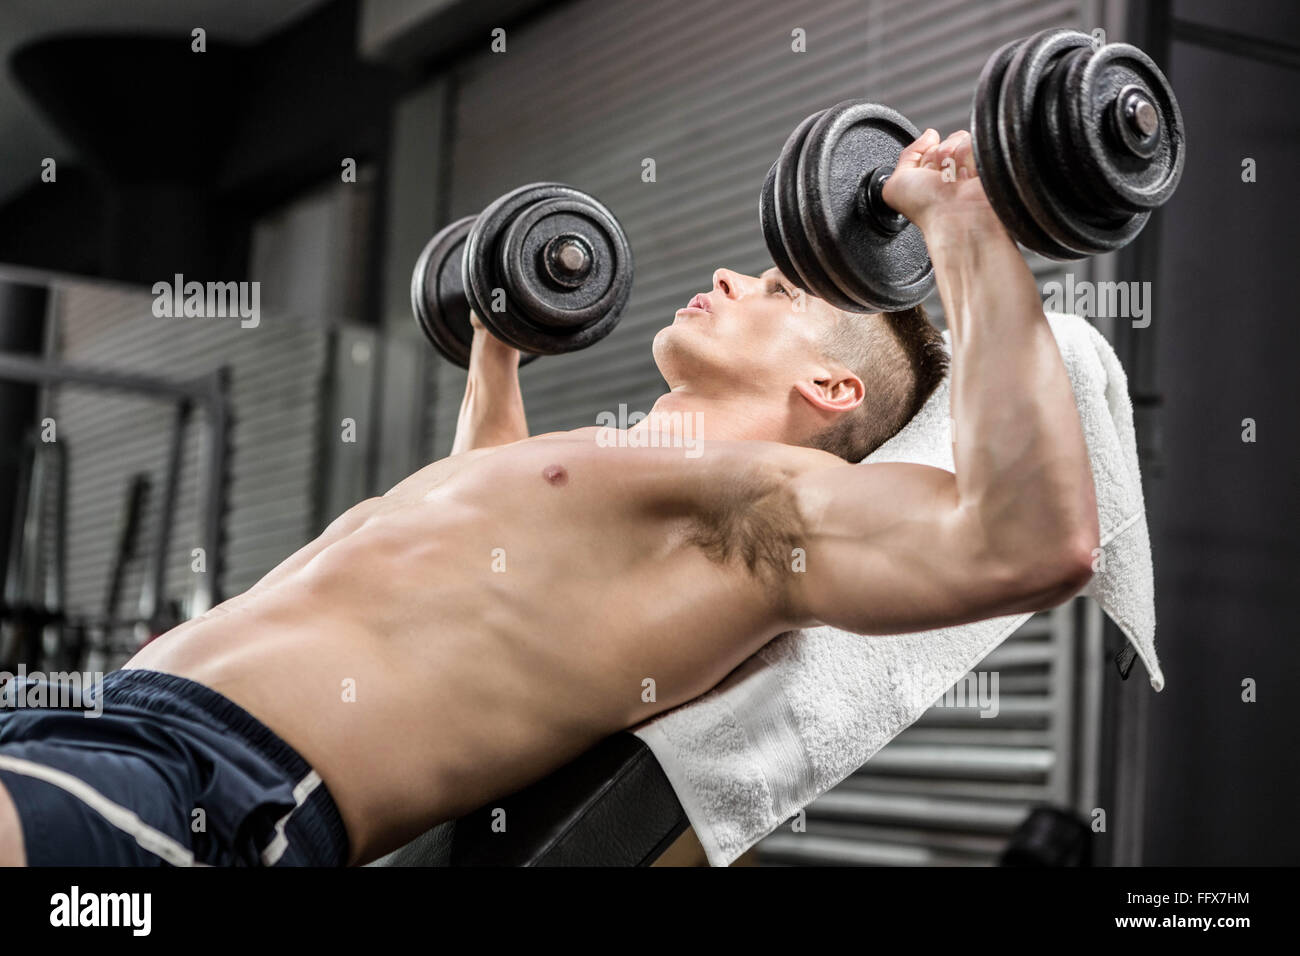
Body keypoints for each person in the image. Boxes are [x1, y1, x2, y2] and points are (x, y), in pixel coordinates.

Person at [0, 128, 1098, 866]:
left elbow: (1031, 542)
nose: (725, 277)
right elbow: (479, 547)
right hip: (99, 716)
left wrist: (959, 222)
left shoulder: (766, 509)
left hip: (211, 785)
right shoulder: (617, 474)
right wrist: (496, 352)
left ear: (831, 386)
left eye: (771, 289)